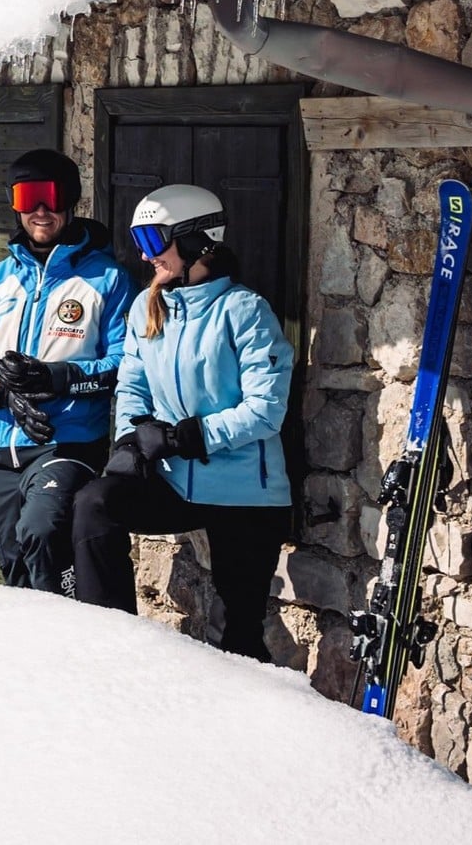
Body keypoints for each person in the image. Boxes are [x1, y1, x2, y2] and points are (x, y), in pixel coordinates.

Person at [72, 183, 295, 661]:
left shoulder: (245, 312)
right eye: (140, 242)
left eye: (155, 241)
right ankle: (109, 640)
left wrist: (186, 436)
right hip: (175, 483)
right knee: (96, 503)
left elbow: (267, 407)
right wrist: (132, 441)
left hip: (244, 493)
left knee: (235, 638)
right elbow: (131, 385)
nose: (145, 255)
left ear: (197, 240)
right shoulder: (146, 307)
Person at [0, 147, 134, 595]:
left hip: (64, 441)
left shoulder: (106, 280)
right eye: (27, 197)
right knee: (13, 561)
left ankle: (67, 636)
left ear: (70, 199)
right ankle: (30, 654)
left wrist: (55, 377)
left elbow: (124, 365)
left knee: (43, 531)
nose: (40, 210)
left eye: (49, 196)